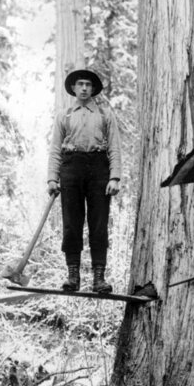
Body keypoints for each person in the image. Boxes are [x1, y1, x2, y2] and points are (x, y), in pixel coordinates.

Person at [47, 69, 122, 293]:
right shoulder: (65, 115)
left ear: (93, 89)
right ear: (73, 88)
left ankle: (99, 279)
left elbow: (114, 147)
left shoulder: (105, 114)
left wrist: (114, 177)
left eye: (88, 84)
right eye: (80, 84)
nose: (84, 88)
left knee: (99, 224)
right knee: (71, 223)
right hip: (71, 169)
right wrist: (52, 178)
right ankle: (73, 277)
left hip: (98, 168)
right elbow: (55, 149)